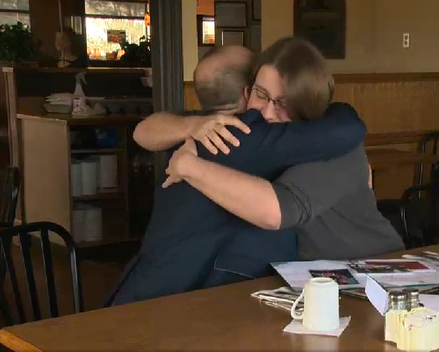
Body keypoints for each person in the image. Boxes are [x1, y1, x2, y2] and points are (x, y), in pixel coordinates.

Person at [106, 42, 367, 306]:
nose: (268, 112)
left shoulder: (207, 128)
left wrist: (190, 144)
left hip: (150, 283)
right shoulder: (249, 136)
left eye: (282, 102)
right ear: (246, 93)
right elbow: (348, 128)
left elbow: (143, 131)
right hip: (169, 299)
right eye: (261, 94)